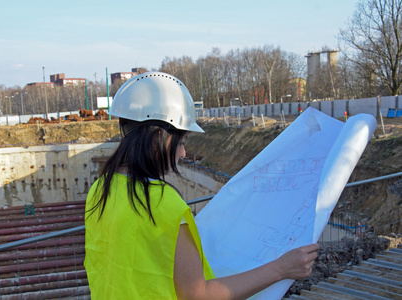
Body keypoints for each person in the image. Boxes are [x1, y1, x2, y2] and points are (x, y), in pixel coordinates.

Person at [84, 72, 319, 299]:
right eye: (181, 141)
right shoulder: (164, 205)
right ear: (158, 137)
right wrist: (281, 269)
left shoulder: (100, 189)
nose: (184, 153)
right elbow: (198, 295)